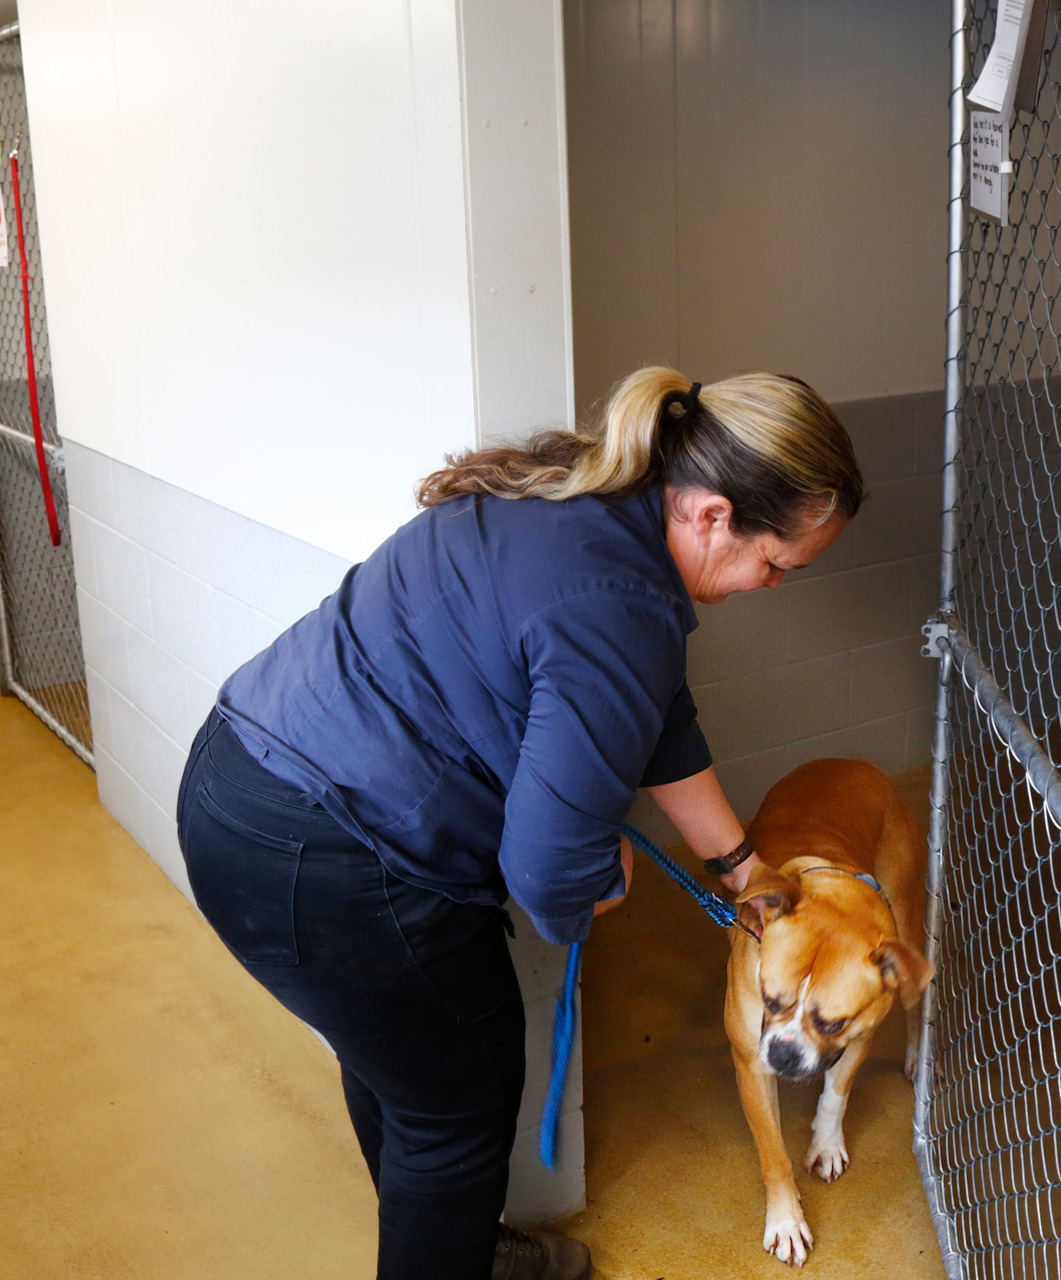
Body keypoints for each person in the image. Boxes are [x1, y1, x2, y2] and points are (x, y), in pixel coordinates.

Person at [176, 366, 864, 1280]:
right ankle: (454, 1248)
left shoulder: (583, 502)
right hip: (335, 862)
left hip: (236, 786)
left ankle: (455, 1244)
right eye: (776, 563)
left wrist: (740, 865)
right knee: (455, 1113)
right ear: (710, 514)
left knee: (408, 1072)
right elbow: (547, 874)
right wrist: (599, 878)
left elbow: (656, 712)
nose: (772, 585)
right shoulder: (620, 605)